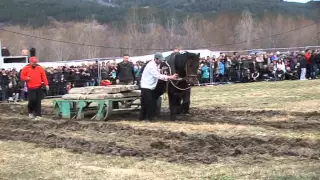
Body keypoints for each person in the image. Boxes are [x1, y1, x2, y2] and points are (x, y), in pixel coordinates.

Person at [139, 52, 178, 122]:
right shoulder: (151, 66)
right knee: (149, 103)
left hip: (150, 86)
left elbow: (159, 73)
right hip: (146, 86)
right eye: (160, 60)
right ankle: (148, 118)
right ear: (156, 59)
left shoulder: (155, 64)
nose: (161, 61)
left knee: (147, 102)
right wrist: (170, 77)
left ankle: (142, 117)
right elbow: (158, 75)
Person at [20, 48, 49, 120]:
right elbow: (22, 76)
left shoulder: (40, 68)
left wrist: (46, 84)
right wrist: (27, 78)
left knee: (38, 101)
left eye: (35, 62)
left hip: (39, 87)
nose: (34, 64)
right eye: (33, 63)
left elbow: (44, 76)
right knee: (32, 100)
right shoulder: (26, 68)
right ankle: (30, 111)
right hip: (31, 87)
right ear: (30, 62)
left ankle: (38, 114)